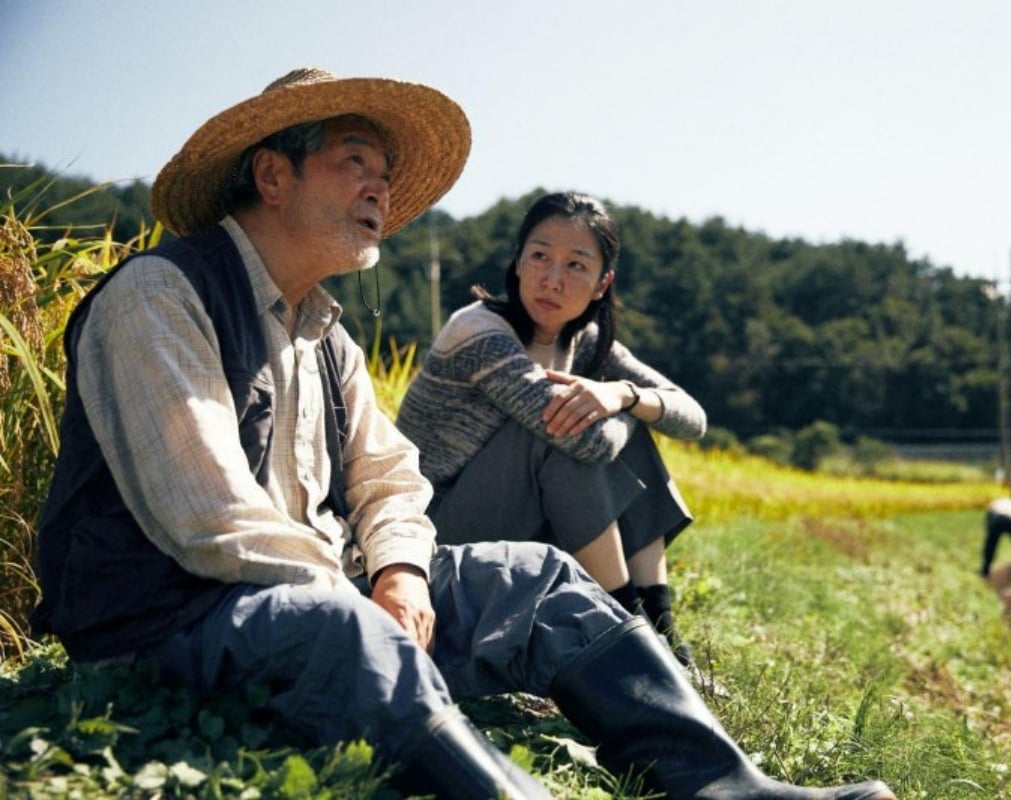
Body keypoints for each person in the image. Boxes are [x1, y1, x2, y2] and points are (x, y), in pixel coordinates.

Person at [30, 67, 894, 800]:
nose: (380, 190)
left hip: (325, 600)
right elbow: (208, 516)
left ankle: (732, 789)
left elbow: (388, 476)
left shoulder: (325, 336)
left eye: (385, 175)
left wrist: (401, 571)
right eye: (355, 162)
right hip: (169, 622)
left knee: (542, 581)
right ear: (272, 174)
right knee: (342, 628)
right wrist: (359, 599)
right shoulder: (160, 297)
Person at [396, 191, 705, 667]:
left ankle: (659, 622)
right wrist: (621, 404)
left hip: (511, 519)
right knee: (565, 425)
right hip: (432, 536)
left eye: (576, 265)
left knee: (617, 411)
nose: (552, 279)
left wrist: (624, 395)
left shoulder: (585, 342)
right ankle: (625, 626)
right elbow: (587, 442)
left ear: (602, 284)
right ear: (518, 262)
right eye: (540, 256)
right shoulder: (479, 332)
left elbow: (693, 418)